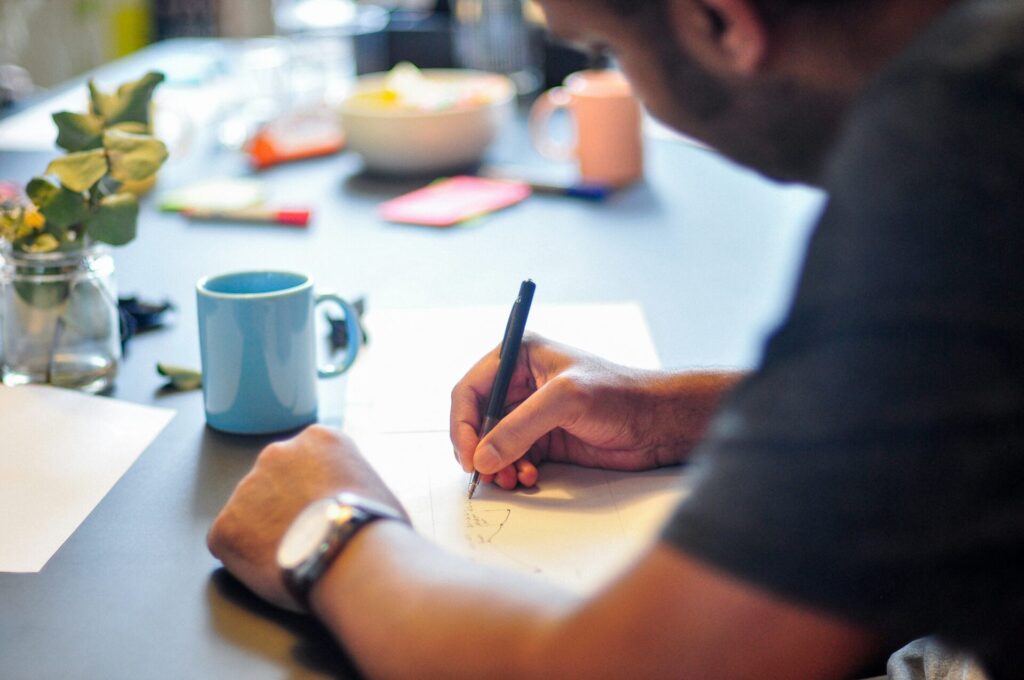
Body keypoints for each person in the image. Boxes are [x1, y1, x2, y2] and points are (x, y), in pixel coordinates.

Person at [208, 0, 1024, 677]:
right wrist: (676, 412)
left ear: (719, 20)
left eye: (608, 48)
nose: (623, 79)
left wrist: (336, 534)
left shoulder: (966, 140)